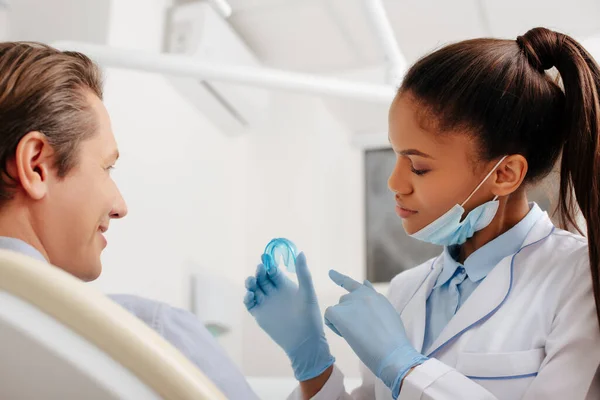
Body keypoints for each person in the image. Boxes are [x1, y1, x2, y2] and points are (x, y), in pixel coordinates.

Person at [244, 27, 600, 399]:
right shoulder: (405, 290)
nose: (394, 183)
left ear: (504, 174)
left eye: (418, 167)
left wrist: (404, 366)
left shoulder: (580, 280)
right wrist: (312, 361)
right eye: (396, 156)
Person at [0, 41, 258, 399]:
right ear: (36, 165)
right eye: (107, 167)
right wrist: (318, 373)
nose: (120, 205)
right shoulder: (156, 338)